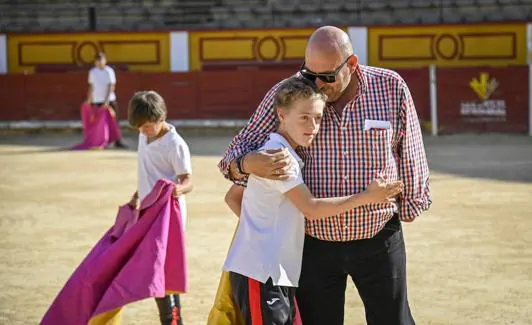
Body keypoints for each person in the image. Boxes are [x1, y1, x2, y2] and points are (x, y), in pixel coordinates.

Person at [218, 26, 431, 325]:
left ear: (352, 64)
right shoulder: (292, 93)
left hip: (378, 236)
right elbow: (237, 151)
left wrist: (411, 203)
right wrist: (245, 164)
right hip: (313, 245)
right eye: (310, 73)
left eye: (328, 77)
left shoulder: (390, 86)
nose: (318, 83)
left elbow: (409, 146)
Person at [127, 90, 193, 325]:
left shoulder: (174, 144)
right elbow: (148, 170)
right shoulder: (144, 134)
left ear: (161, 118)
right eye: (139, 127)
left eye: (147, 126)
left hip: (167, 216)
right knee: (159, 269)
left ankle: (170, 320)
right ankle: (173, 320)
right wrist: (138, 194)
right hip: (146, 211)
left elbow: (188, 181)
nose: (143, 131)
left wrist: (176, 190)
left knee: (161, 269)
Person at [86, 52, 127, 148]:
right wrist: (89, 99)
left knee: (114, 122)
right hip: (96, 101)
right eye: (97, 60)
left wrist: (107, 101)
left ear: (105, 60)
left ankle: (118, 142)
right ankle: (101, 141)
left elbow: (111, 86)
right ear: (95, 62)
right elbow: (91, 86)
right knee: (99, 123)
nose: (99, 62)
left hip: (110, 101)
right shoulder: (92, 72)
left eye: (101, 60)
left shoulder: (109, 71)